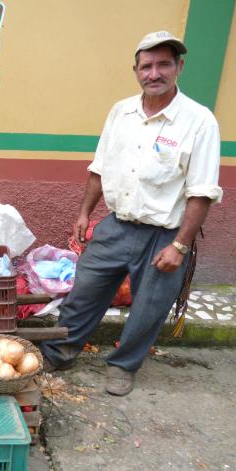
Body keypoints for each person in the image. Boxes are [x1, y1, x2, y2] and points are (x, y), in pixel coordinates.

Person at [40, 31, 223, 396]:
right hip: (116, 226)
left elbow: (201, 192)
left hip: (164, 234)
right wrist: (84, 213)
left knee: (149, 309)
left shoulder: (199, 122)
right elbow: (100, 167)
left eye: (163, 64)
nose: (154, 73)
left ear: (179, 67)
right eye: (146, 66)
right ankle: (61, 351)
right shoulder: (121, 112)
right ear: (136, 70)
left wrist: (180, 246)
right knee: (84, 292)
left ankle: (123, 366)